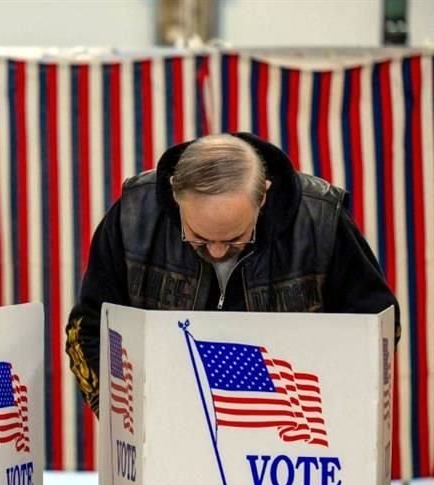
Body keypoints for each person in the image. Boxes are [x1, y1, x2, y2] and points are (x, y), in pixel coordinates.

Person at [66, 132, 399, 414]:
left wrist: (330, 412)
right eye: (198, 237)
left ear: (263, 196)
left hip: (293, 431)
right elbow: (90, 329)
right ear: (174, 194)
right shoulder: (134, 216)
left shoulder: (320, 220)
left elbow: (376, 329)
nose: (216, 251)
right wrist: (124, 417)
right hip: (165, 423)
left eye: (235, 238)